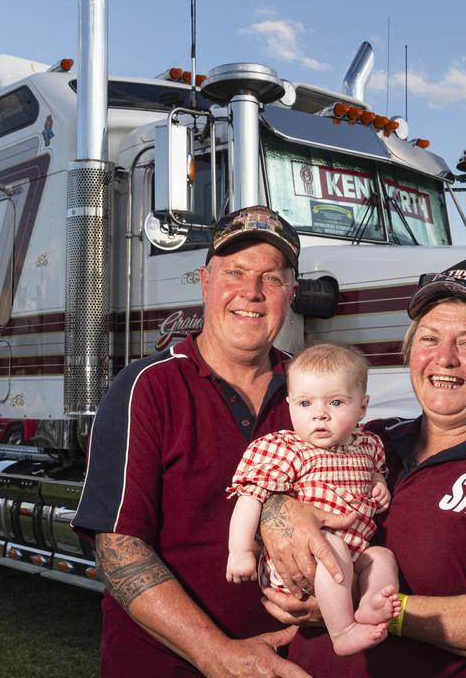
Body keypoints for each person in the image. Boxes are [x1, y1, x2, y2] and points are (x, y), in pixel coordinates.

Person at [261, 258, 466, 677]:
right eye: (429, 339)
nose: (444, 359)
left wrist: (376, 608)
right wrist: (276, 512)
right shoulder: (371, 441)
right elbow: (278, 478)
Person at [71, 206, 348, 678]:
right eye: (234, 273)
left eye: (272, 279)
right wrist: (214, 652)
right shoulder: (148, 386)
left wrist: (339, 595)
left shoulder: (314, 393)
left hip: (294, 664)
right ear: (204, 281)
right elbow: (118, 546)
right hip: (168, 666)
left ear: (292, 294)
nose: (252, 293)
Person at [226, 343, 401, 656]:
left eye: (335, 402)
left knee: (382, 556)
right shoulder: (287, 449)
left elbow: (375, 473)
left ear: (362, 408)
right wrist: (239, 551)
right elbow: (250, 496)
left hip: (352, 551)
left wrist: (378, 484)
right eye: (305, 403)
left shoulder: (368, 444)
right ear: (290, 404)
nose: (320, 414)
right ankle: (343, 631)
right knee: (332, 547)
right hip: (300, 560)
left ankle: (373, 603)